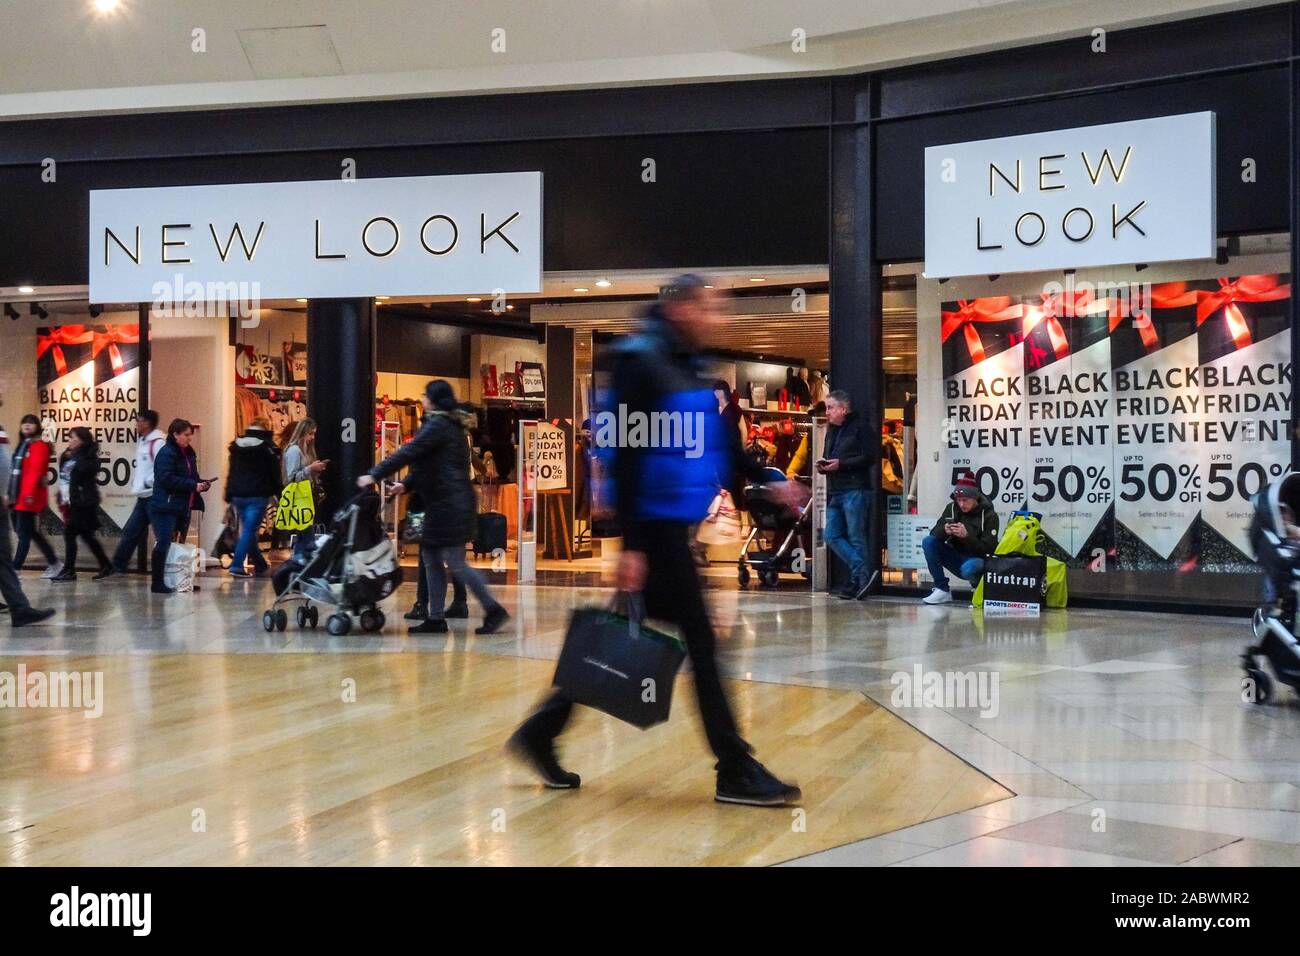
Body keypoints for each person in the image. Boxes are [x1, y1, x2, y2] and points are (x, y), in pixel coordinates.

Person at [509, 274, 803, 807]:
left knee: (622, 638)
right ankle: (733, 767)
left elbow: (714, 442)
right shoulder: (640, 361)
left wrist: (770, 478)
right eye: (710, 308)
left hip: (674, 524)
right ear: (683, 308)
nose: (718, 318)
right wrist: (632, 546)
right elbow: (623, 453)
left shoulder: (686, 362)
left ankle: (542, 731)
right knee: (700, 644)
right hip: (655, 527)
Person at [359, 381, 508, 636]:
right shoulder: (448, 425)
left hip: (450, 505)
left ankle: (493, 609)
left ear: (434, 399)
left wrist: (375, 473)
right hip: (446, 503)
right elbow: (426, 465)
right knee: (430, 558)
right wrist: (404, 485)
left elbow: (410, 452)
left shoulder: (439, 425)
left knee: (454, 561)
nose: (423, 399)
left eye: (426, 395)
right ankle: (436, 617)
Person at [818, 390, 877, 600]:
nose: (827, 412)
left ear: (843, 408)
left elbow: (870, 457)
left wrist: (841, 465)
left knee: (856, 537)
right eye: (827, 408)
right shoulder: (832, 431)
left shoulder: (861, 428)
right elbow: (830, 456)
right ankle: (862, 572)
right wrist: (824, 466)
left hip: (855, 488)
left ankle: (857, 581)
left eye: (831, 407)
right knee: (831, 535)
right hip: (836, 489)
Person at [0, 409, 55, 627]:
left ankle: (20, 608)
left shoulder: (31, 445)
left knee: (4, 557)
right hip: (7, 500)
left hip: (9, 500)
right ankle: (20, 608)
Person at [149, 419, 211, 595]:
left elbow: (192, 476)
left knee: (180, 545)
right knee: (164, 543)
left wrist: (201, 483)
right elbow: (166, 479)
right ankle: (157, 582)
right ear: (175, 434)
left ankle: (182, 578)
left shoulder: (188, 453)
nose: (189, 438)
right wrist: (192, 485)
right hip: (165, 506)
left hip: (183, 505)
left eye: (190, 435)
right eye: (186, 435)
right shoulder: (167, 453)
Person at [921, 471, 999, 605]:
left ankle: (980, 588)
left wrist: (967, 536)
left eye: (965, 500)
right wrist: (944, 531)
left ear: (975, 498)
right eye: (959, 500)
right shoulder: (951, 508)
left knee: (970, 567)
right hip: (956, 557)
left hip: (978, 559)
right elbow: (934, 534)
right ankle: (942, 589)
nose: (962, 504)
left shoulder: (989, 515)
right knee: (928, 542)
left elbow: (990, 550)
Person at [51, 427, 114, 581]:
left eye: (73, 438)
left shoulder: (89, 456)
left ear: (82, 440)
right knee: (86, 536)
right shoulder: (71, 456)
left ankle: (69, 570)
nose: (69, 440)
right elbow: (65, 474)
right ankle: (106, 565)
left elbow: (86, 470)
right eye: (69, 437)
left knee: (71, 534)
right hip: (72, 501)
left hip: (83, 501)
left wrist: (75, 455)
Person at [223, 416, 281, 578]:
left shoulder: (237, 446)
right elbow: (274, 474)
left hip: (238, 495)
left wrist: (228, 493)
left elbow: (232, 472)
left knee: (248, 530)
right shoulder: (267, 448)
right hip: (257, 495)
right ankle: (236, 566)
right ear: (265, 428)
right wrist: (279, 494)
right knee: (249, 531)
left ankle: (260, 564)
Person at [110, 410, 165, 574]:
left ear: (147, 423)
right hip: (143, 496)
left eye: (138, 421)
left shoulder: (157, 442)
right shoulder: (143, 441)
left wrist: (149, 482)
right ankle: (118, 566)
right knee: (131, 532)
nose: (136, 424)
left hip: (153, 496)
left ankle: (162, 568)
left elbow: (160, 467)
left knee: (160, 535)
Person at [8, 414, 59, 577]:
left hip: (28, 497)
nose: (27, 425)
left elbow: (35, 472)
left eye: (31, 423)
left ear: (38, 426)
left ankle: (15, 568)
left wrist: (29, 493)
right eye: (24, 423)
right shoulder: (24, 446)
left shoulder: (38, 446)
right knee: (30, 533)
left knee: (24, 534)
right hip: (19, 496)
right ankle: (55, 563)